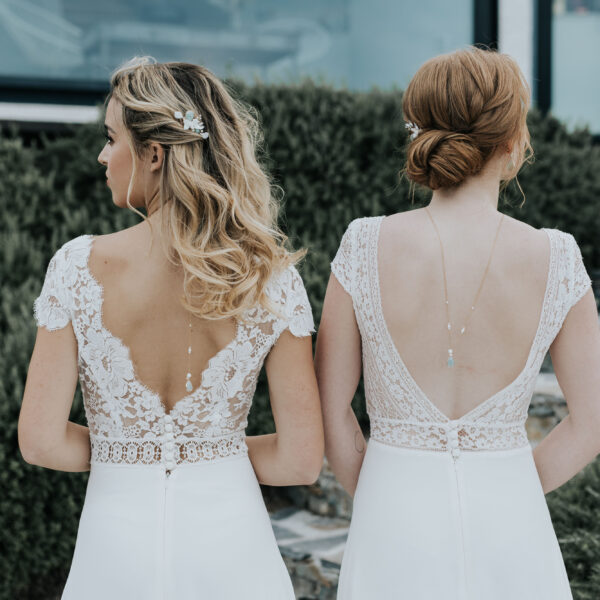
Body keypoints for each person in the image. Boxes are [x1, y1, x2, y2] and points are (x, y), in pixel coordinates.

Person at [18, 56, 324, 599]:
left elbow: (41, 442)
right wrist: (208, 450)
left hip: (116, 547)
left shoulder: (77, 267)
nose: (102, 155)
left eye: (112, 139)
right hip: (233, 547)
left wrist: (130, 448)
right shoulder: (271, 280)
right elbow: (300, 461)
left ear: (154, 154)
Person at [315, 46, 600, 599]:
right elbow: (591, 423)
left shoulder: (365, 243)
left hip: (392, 520)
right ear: (513, 143)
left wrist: (380, 490)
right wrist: (508, 484)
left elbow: (332, 415)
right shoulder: (557, 258)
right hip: (511, 527)